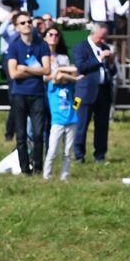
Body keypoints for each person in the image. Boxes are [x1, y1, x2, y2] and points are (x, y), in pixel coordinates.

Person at [5, 12, 51, 175]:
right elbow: (13, 73)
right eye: (23, 23)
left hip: (37, 93)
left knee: (38, 133)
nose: (27, 25)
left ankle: (38, 167)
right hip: (19, 94)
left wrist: (25, 68)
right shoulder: (14, 46)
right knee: (21, 134)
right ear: (17, 27)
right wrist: (35, 71)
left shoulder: (42, 44)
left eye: (29, 21)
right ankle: (25, 168)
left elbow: (47, 70)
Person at [71, 21, 116, 164]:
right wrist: (99, 58)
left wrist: (112, 62)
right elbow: (81, 67)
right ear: (93, 33)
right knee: (81, 125)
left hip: (104, 92)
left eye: (105, 37)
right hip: (84, 93)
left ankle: (100, 155)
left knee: (102, 126)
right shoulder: (80, 47)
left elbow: (112, 71)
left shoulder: (105, 47)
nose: (103, 41)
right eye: (101, 37)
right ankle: (79, 155)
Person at [43, 27, 81, 182]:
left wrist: (61, 70)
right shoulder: (52, 87)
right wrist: (73, 77)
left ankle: (64, 176)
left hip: (71, 119)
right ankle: (47, 175)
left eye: (56, 35)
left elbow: (74, 69)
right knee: (53, 150)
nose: (54, 37)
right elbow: (56, 77)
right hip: (57, 120)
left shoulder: (69, 86)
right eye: (50, 34)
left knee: (67, 151)